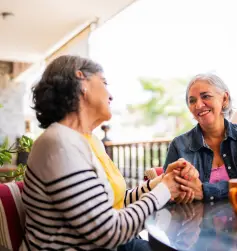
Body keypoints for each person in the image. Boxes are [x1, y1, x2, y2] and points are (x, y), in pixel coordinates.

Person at [20, 55, 199, 251]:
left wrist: (161, 182)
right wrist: (165, 190)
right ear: (81, 81)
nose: (111, 95)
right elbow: (109, 232)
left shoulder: (89, 141)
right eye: (104, 82)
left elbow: (113, 203)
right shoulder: (59, 144)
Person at [163, 73, 237, 202]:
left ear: (224, 99)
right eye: (192, 100)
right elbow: (168, 191)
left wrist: (204, 191)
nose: (198, 105)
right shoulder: (178, 145)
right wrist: (174, 191)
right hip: (195, 220)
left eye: (205, 96)